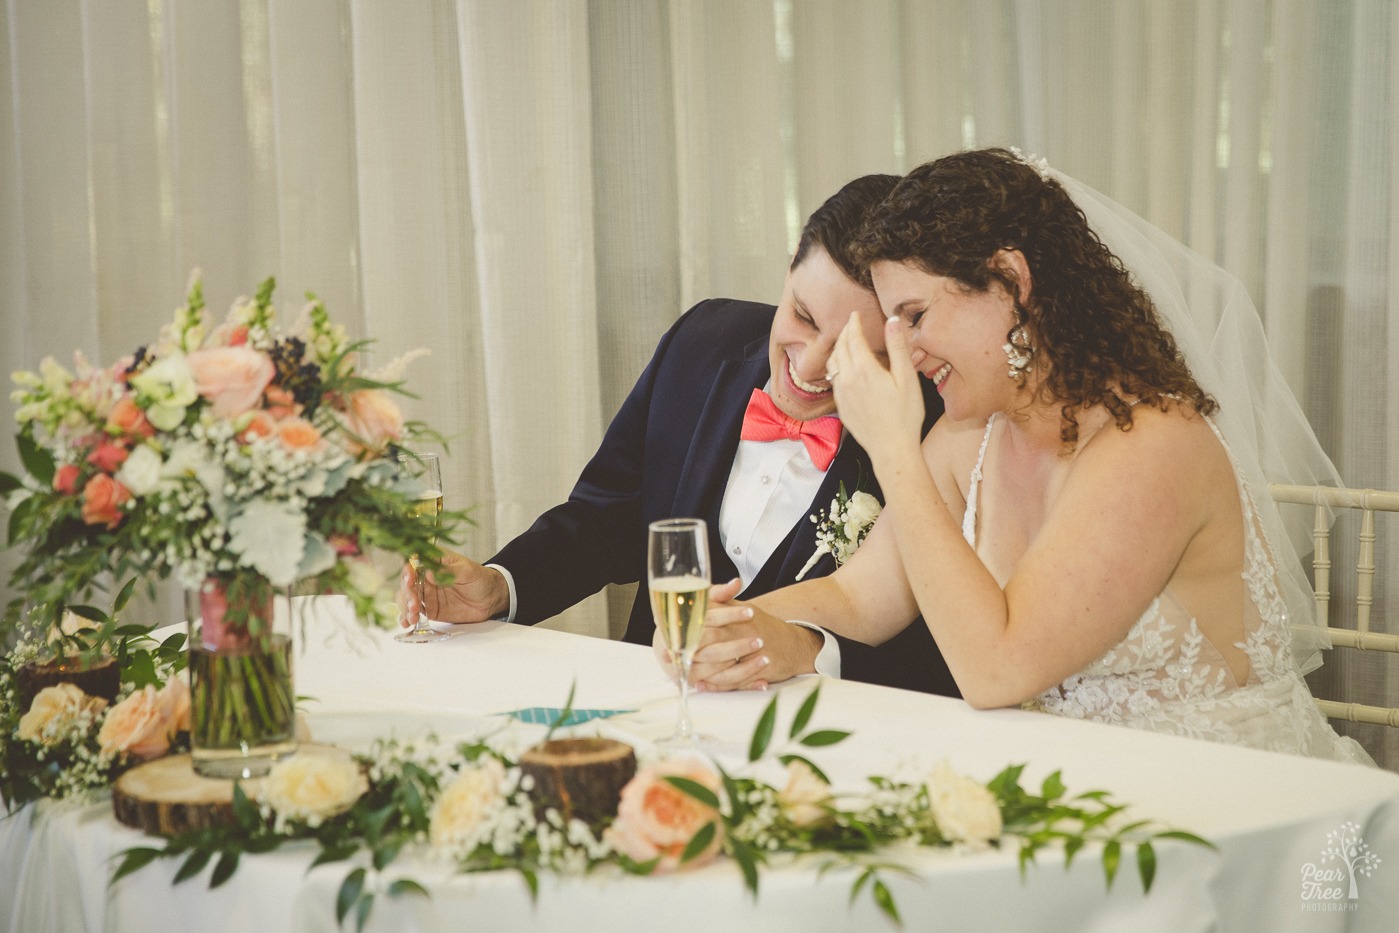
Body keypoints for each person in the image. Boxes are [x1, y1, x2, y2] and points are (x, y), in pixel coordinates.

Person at [702, 147, 1369, 763]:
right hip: (1062, 783)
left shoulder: (1151, 444)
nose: (900, 348)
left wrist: (892, 449)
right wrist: (739, 622)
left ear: (1009, 280)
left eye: (914, 314)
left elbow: (996, 668)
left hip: (1220, 798)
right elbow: (860, 595)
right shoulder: (971, 438)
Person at [402, 174, 958, 697]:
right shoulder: (702, 342)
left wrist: (814, 651)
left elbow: (936, 652)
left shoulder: (937, 427)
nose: (810, 367)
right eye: (804, 317)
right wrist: (501, 585)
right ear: (789, 267)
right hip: (656, 706)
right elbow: (606, 522)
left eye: (851, 350)